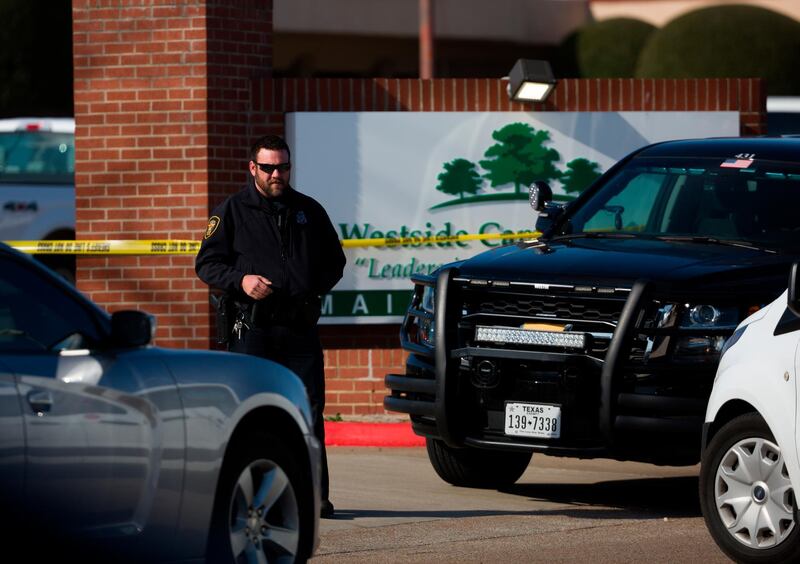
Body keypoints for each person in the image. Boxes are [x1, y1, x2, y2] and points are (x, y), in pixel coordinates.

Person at [195, 134, 346, 518]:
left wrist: (310, 288)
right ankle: (248, 499)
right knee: (252, 413)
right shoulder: (232, 211)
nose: (276, 174)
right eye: (268, 167)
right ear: (252, 168)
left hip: (298, 331)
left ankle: (314, 497)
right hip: (253, 331)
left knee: (308, 412)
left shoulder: (308, 211)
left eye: (283, 167)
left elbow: (335, 261)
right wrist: (242, 282)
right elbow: (207, 264)